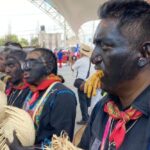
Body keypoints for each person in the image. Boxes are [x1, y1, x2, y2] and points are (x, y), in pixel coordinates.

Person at [79, 0, 150, 150]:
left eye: (105, 47)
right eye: (95, 46)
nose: (94, 58)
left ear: (145, 53)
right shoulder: (103, 108)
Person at [8, 48, 77, 150]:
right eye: (25, 63)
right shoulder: (31, 91)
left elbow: (61, 144)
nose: (25, 68)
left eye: (31, 62)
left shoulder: (63, 95)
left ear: (48, 67)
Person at [72, 44, 93, 125]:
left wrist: (74, 61)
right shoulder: (91, 61)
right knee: (89, 101)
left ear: (82, 52)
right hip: (90, 83)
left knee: (83, 101)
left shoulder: (80, 60)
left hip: (82, 83)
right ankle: (89, 116)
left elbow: (72, 67)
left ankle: (85, 119)